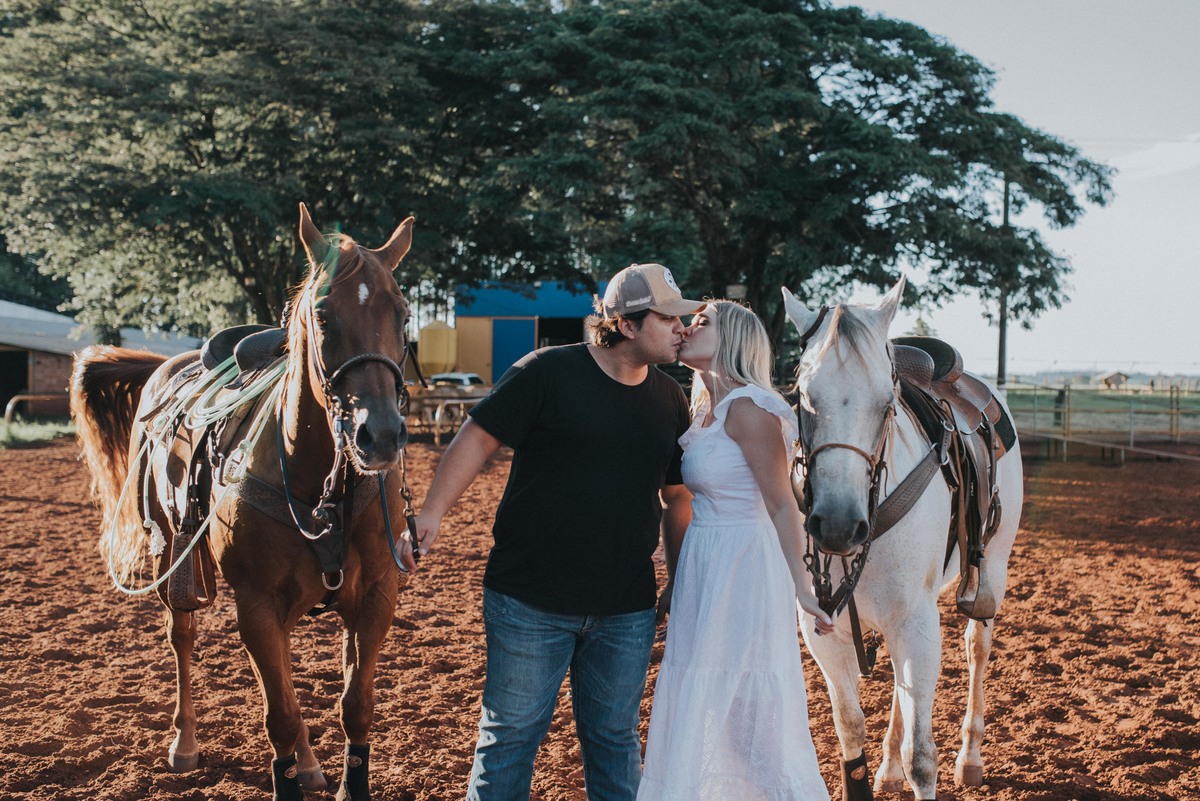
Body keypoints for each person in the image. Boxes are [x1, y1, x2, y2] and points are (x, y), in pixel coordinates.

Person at [410, 263, 702, 801]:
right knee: (510, 738)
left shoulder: (669, 398)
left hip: (626, 608)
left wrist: (679, 579)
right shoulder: (546, 371)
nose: (681, 328)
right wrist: (433, 511)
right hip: (530, 599)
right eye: (668, 319)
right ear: (627, 325)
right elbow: (477, 437)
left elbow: (677, 496)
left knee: (615, 739)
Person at [637, 300, 836, 801]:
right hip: (706, 561)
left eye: (702, 322)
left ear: (733, 340)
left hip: (744, 564)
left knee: (748, 701)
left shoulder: (748, 407)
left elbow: (781, 504)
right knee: (706, 696)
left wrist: (803, 590)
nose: (687, 329)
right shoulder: (705, 409)